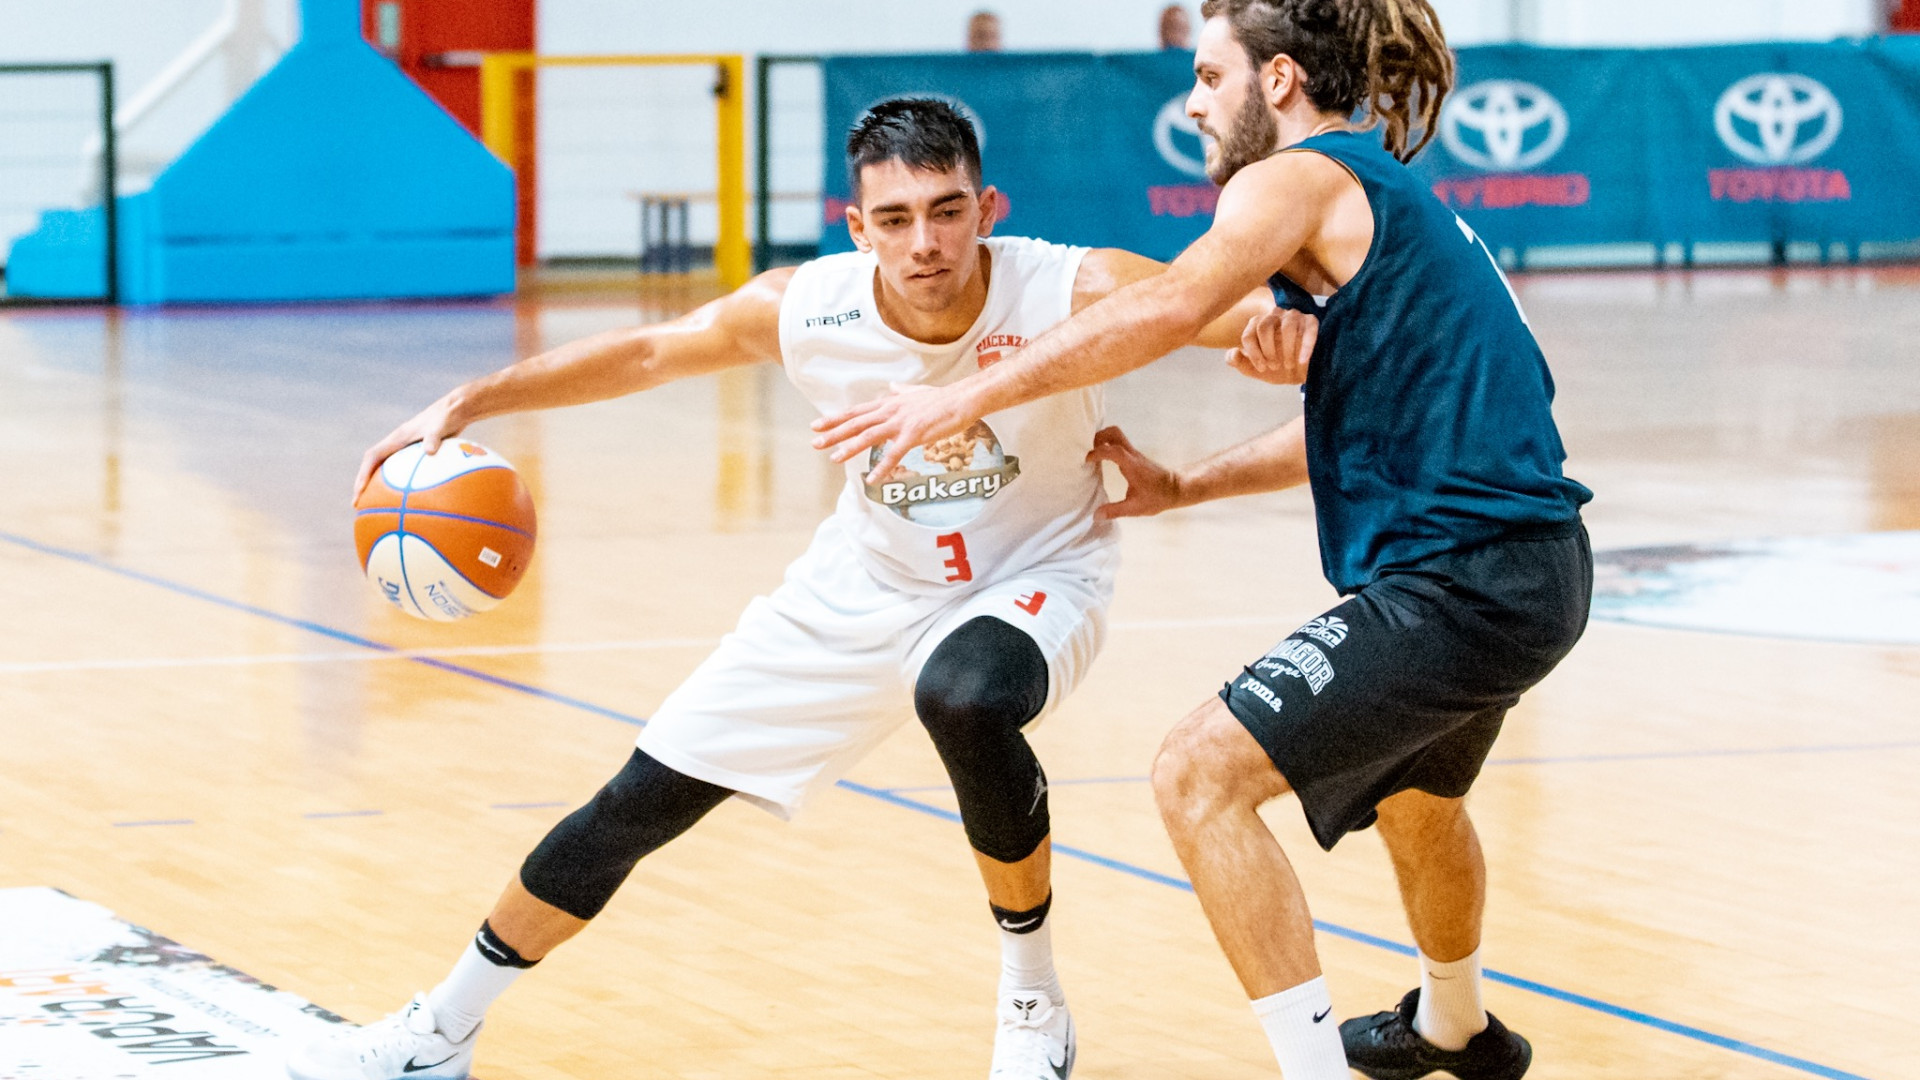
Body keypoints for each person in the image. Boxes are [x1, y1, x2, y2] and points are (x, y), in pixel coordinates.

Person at [287, 97, 1271, 1080]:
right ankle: (440, 1030)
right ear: (857, 227)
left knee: (964, 696)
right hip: (864, 583)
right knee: (637, 802)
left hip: (1036, 573)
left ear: (988, 208)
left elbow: (1237, 312)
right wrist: (472, 399)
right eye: (894, 219)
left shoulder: (1070, 285)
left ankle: (1032, 999)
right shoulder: (809, 306)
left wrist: (1283, 340)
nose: (925, 243)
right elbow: (650, 351)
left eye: (947, 211)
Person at [812, 3, 1593, 1079]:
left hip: (1465, 582)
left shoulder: (1296, 176)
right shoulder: (1382, 199)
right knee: (1420, 801)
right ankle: (1454, 1024)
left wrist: (958, 398)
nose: (1191, 104)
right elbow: (1358, 422)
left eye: (1209, 76)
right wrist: (1185, 485)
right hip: (1530, 567)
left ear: (1278, 80)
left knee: (1196, 776)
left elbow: (1175, 304)